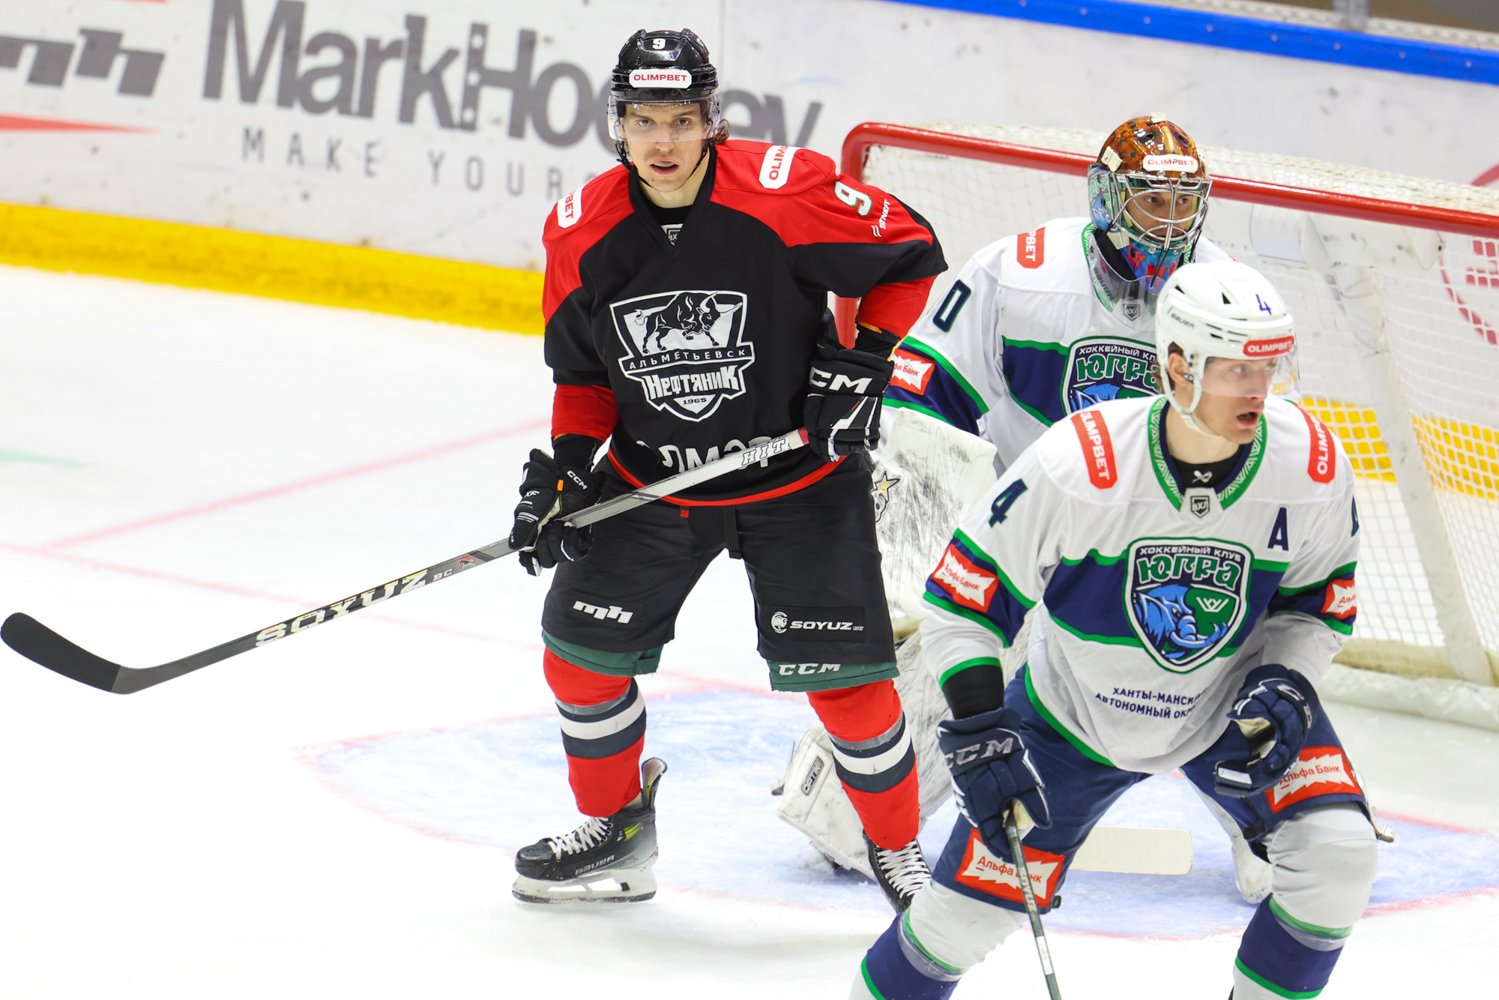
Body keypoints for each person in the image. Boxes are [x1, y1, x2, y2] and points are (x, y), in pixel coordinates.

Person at [848, 259, 1378, 999]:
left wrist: (1286, 679)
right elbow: (963, 600)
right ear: (1178, 367)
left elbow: (1316, 603)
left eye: (1268, 368)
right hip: (1071, 719)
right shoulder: (1078, 463)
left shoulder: (1310, 464)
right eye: (1236, 370)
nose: (1259, 391)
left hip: (1230, 709)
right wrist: (979, 727)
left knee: (1337, 855)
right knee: (956, 926)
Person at [777, 115, 1275, 902]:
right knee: (956, 652)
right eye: (1152, 201)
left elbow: (1261, 433)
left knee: (1200, 653)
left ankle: (1269, 820)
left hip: (1160, 529)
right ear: (1107, 199)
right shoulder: (1022, 272)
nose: (1169, 223)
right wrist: (922, 540)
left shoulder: (1229, 292)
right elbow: (924, 391)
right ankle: (858, 810)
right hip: (1027, 519)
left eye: (1184, 203)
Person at [505, 27, 947, 911]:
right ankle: (617, 832)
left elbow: (910, 254)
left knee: (849, 687)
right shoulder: (580, 228)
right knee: (581, 659)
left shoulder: (785, 192)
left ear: (711, 118)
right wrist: (568, 469)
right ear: (618, 124)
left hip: (797, 478)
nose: (661, 141)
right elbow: (584, 378)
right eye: (642, 121)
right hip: (652, 480)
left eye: (680, 119)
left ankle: (898, 850)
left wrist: (862, 360)